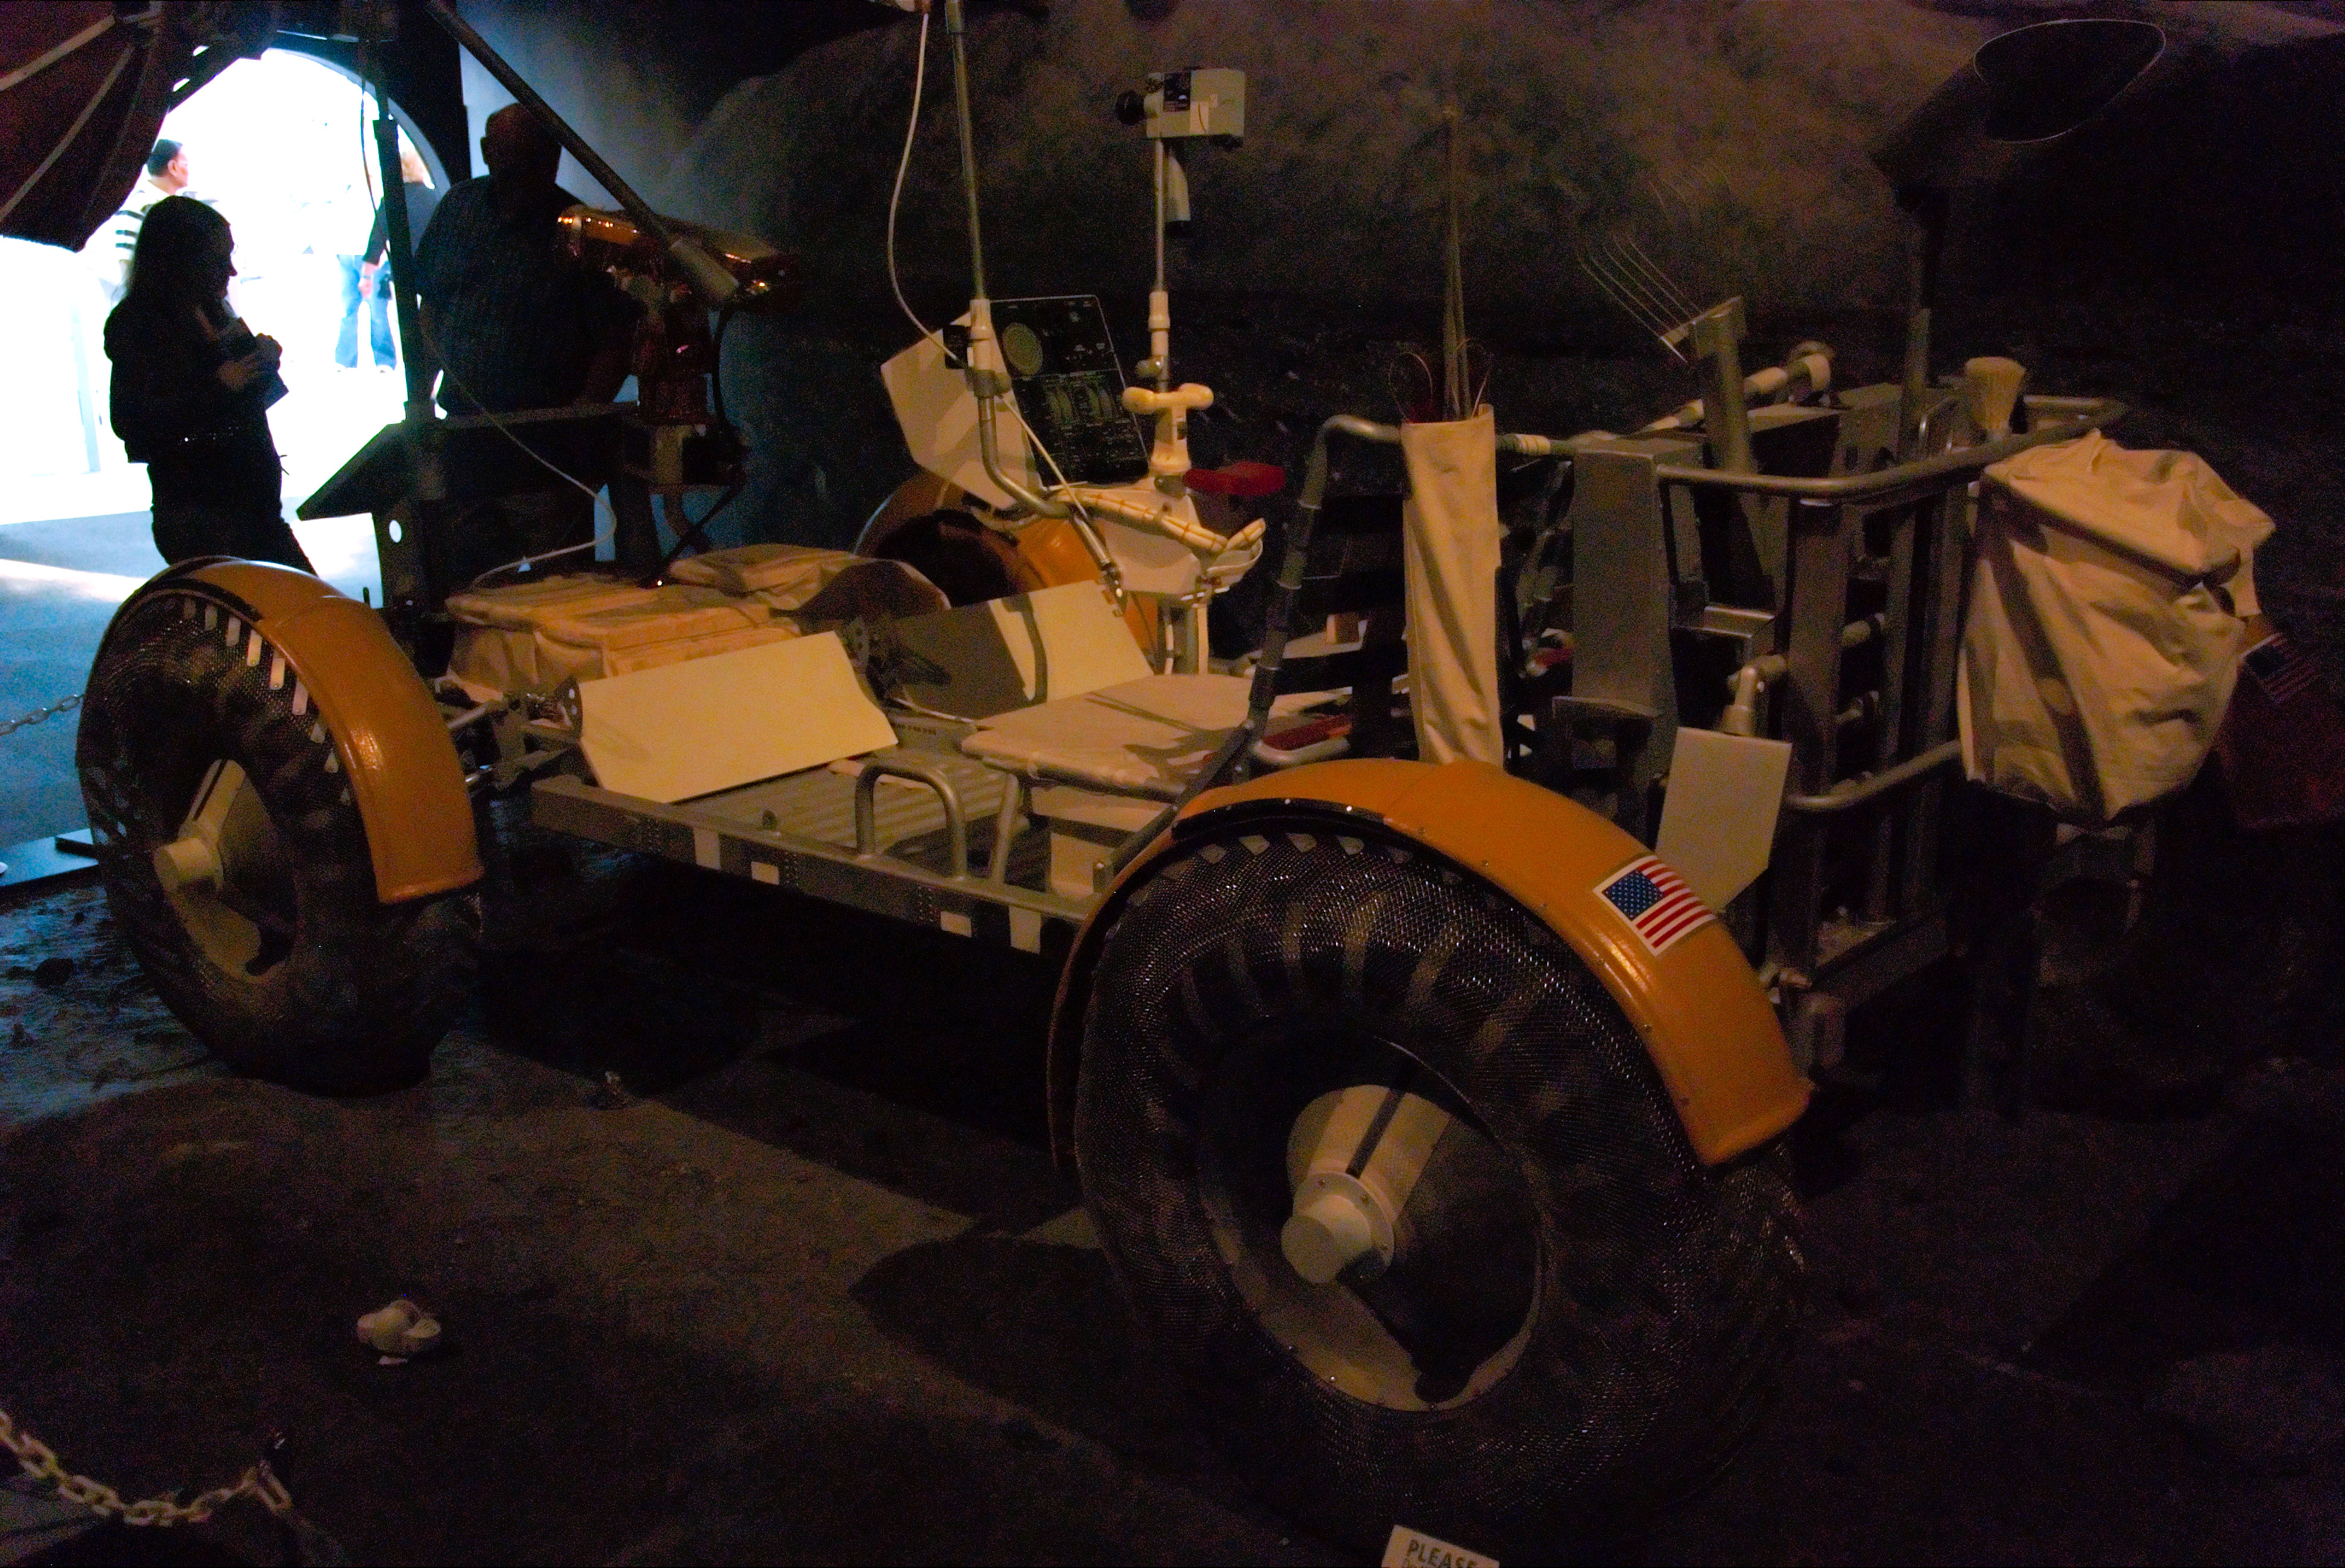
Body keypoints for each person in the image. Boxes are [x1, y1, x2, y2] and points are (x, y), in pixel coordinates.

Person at [411, 104, 633, 583]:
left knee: (565, 586)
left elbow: (615, 338)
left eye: (536, 161)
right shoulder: (460, 209)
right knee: (469, 586)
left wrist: (581, 421)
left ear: (554, 159)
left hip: (545, 448)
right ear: (488, 154)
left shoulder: (580, 231)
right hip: (468, 439)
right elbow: (431, 310)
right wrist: (420, 403)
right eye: (513, 162)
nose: (526, 177)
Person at [104, 196, 315, 572]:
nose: (231, 271)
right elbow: (132, 422)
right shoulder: (138, 323)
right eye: (219, 259)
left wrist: (263, 361)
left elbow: (250, 395)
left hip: (255, 511)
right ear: (185, 261)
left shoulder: (212, 311)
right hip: (200, 516)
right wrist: (218, 386)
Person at [340, 144, 441, 372]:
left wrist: (367, 276)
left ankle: (417, 375)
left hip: (405, 276)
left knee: (408, 326)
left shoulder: (392, 201)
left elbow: (376, 243)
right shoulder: (435, 197)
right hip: (435, 274)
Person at [83, 139, 197, 305]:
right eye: (185, 164)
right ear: (172, 167)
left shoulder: (167, 205)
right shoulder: (142, 205)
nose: (188, 170)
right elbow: (128, 263)